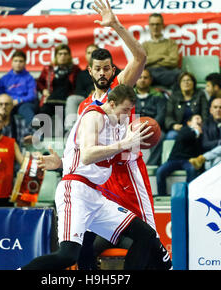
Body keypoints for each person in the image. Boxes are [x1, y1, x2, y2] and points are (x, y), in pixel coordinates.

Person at [22, 84, 167, 270]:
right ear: (112, 104)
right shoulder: (94, 116)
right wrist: (124, 143)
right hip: (75, 191)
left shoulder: (115, 125)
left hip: (96, 196)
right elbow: (87, 155)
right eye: (125, 110)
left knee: (146, 234)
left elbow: (86, 157)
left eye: (130, 111)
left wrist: (62, 163)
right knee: (67, 256)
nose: (126, 116)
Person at [75, 0, 170, 270]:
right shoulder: (85, 107)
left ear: (112, 70)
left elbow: (140, 57)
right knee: (87, 245)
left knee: (151, 241)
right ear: (90, 70)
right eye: (98, 68)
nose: (103, 72)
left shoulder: (119, 88)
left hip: (128, 171)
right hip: (103, 180)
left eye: (107, 67)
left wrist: (116, 25)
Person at [156, 114, 204, 196]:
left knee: (192, 169)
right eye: (196, 118)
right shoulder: (184, 130)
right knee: (160, 171)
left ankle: (189, 195)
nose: (199, 121)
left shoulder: (201, 134)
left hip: (189, 160)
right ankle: (162, 196)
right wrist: (196, 132)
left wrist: (199, 134)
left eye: (200, 119)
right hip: (174, 159)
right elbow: (184, 138)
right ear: (189, 123)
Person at [0, 49, 38, 128]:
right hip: (7, 103)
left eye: (21, 61)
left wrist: (19, 101)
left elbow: (32, 95)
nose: (18, 63)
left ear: (25, 63)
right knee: (0, 109)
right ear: (11, 62)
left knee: (27, 110)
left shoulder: (29, 78)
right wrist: (8, 101)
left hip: (24, 104)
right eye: (16, 61)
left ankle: (35, 133)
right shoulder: (5, 78)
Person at [134, 68, 167, 166]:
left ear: (150, 80)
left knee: (161, 137)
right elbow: (126, 113)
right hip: (134, 128)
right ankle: (130, 164)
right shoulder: (129, 95)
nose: (142, 80)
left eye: (145, 77)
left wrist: (151, 127)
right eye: (140, 77)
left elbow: (161, 114)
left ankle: (151, 166)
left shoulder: (158, 95)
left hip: (153, 127)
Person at [37, 43, 81, 117]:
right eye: (60, 54)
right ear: (56, 56)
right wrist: (43, 90)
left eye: (65, 54)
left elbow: (79, 86)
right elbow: (39, 82)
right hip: (50, 100)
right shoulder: (49, 69)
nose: (62, 56)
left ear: (69, 56)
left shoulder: (75, 69)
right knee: (41, 118)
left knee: (60, 122)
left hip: (66, 101)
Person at [164, 72, 209, 140]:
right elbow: (168, 115)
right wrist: (173, 125)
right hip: (179, 128)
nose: (186, 82)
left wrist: (201, 125)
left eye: (189, 80)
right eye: (183, 81)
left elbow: (205, 113)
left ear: (194, 83)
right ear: (179, 84)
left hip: (196, 127)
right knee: (171, 136)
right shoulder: (174, 96)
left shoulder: (200, 95)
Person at [142, 13, 181, 90]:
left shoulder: (171, 43)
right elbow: (143, 62)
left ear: (162, 25)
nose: (155, 27)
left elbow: (173, 62)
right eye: (152, 24)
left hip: (166, 73)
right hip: (150, 73)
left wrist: (151, 60)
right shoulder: (144, 45)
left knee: (181, 76)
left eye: (157, 24)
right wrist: (161, 57)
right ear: (149, 26)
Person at [189, 97, 221, 171]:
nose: (218, 110)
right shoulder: (206, 124)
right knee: (215, 160)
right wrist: (220, 142)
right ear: (211, 110)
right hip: (211, 157)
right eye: (215, 107)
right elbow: (205, 144)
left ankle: (203, 158)